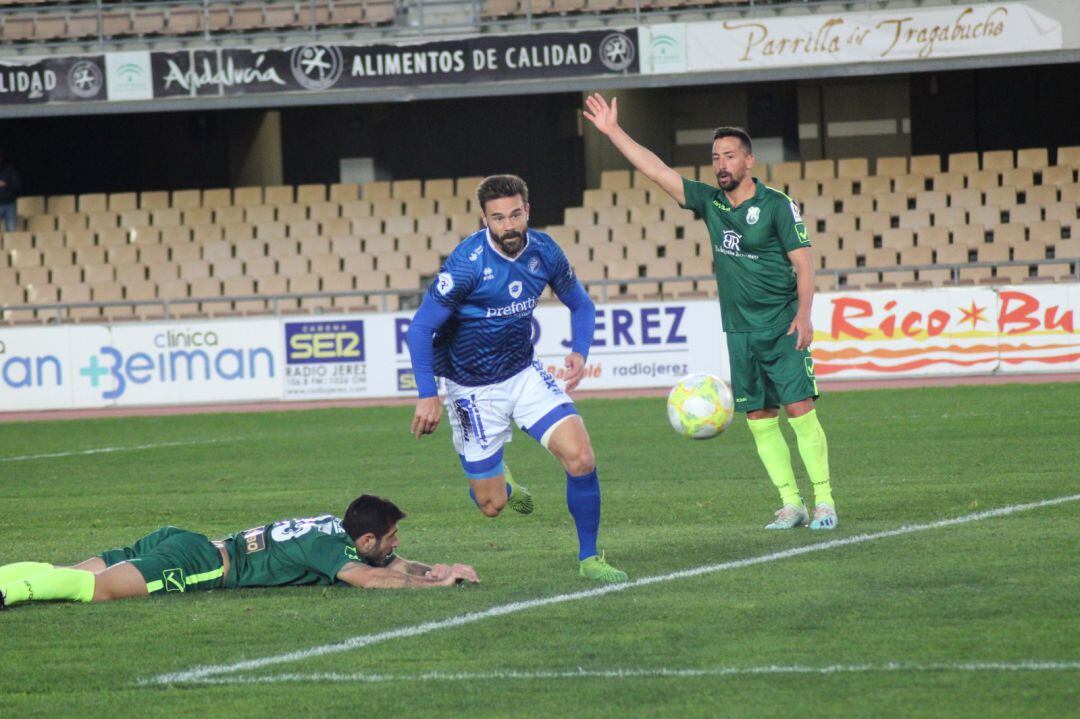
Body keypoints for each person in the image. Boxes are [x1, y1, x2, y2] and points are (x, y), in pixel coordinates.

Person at [583, 93, 837, 531]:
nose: (721, 164)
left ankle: (825, 502)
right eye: (716, 157)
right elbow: (656, 170)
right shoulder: (709, 202)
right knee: (759, 420)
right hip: (739, 332)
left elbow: (804, 264)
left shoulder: (776, 205)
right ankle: (791, 504)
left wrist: (805, 314)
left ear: (749, 161)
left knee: (800, 412)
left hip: (782, 326)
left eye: (730, 156)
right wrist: (612, 132)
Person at [406, 174, 627, 583]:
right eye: (498, 218)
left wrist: (579, 351)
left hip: (524, 373)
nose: (508, 226)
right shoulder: (467, 263)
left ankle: (590, 558)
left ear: (527, 211)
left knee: (581, 457)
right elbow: (420, 328)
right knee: (491, 506)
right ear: (484, 219)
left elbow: (581, 305)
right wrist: (427, 393)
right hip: (470, 389)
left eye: (514, 215)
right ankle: (504, 484)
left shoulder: (544, 251)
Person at [0, 494, 479, 609]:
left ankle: (9, 578)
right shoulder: (329, 549)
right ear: (366, 540)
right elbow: (372, 577)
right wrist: (434, 588)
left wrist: (433, 570)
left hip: (188, 540)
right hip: (201, 564)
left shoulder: (336, 528)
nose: (398, 545)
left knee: (71, 570)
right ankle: (11, 593)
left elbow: (387, 563)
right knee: (98, 589)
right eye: (392, 536)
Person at [0, 148, 20, 232]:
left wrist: (5, 184)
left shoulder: (9, 170)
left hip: (9, 204)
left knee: (10, 230)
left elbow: (17, 184)